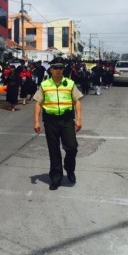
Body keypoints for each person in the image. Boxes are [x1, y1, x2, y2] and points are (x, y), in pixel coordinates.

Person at [33, 58, 83, 191]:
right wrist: (37, 121)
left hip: (67, 120)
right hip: (50, 121)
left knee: (72, 147)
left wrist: (79, 119)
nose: (58, 70)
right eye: (55, 68)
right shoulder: (44, 85)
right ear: (51, 70)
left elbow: (77, 101)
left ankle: (69, 169)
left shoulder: (70, 83)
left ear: (63, 70)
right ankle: (56, 178)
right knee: (54, 150)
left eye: (60, 68)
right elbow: (38, 103)